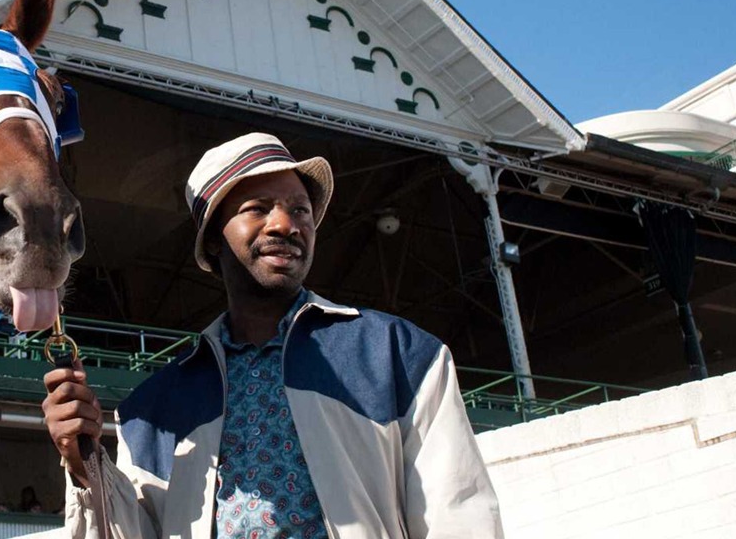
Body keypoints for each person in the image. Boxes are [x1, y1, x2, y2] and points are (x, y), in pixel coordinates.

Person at [42, 132, 503, 539]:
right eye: (257, 209)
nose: (286, 224)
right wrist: (85, 465)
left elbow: (458, 514)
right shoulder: (152, 412)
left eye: (300, 209)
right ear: (214, 240)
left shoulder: (398, 355)